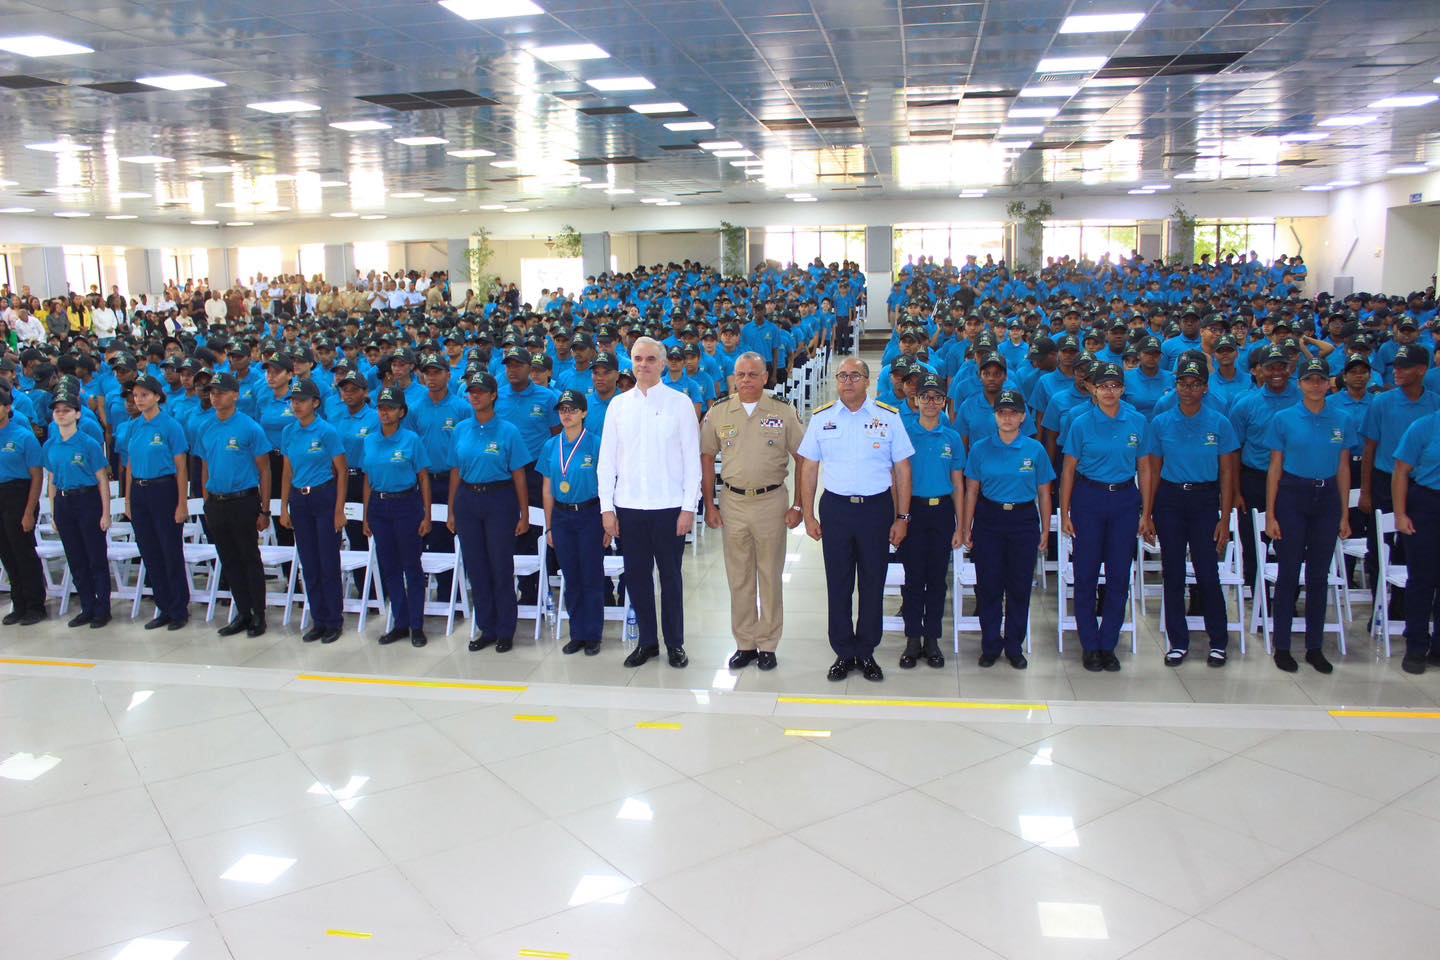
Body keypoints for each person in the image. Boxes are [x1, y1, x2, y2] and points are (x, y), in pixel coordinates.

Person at [798, 356, 914, 683]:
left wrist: (902, 516)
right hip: (836, 509)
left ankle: (866, 651)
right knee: (839, 582)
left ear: (867, 381)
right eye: (842, 376)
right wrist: (808, 514)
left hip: (876, 509)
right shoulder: (822, 418)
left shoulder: (888, 417)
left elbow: (903, 469)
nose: (848, 381)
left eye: (855, 376)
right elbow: (808, 468)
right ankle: (843, 651)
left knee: (872, 581)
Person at [597, 336, 701, 669]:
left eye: (651, 359)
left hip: (669, 508)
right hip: (628, 507)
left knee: (670, 577)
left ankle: (675, 643)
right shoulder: (619, 405)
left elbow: (691, 461)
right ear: (631, 362)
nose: (644, 365)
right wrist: (607, 508)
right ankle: (647, 641)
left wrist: (689, 506)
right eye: (638, 359)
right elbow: (607, 462)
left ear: (663, 363)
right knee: (637, 577)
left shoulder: (680, 403)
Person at [699, 352, 804, 670]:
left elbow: (804, 458)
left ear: (765, 376)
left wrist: (799, 504)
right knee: (739, 575)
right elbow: (706, 457)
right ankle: (745, 643)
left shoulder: (783, 412)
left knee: (770, 574)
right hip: (732, 502)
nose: (745, 380)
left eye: (752, 374)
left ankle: (768, 644)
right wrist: (710, 504)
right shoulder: (719, 412)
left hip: (771, 502)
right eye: (740, 374)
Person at [1140, 358, 1240, 667]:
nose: (1188, 389)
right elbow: (1153, 471)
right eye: (1183, 383)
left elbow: (1227, 474)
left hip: (1204, 500)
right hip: (1170, 499)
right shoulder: (1161, 422)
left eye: (1195, 384)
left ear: (1205, 388)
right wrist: (1148, 513)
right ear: (1176, 386)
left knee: (1207, 571)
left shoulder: (1219, 423)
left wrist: (1225, 518)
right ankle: (1178, 642)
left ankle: (1218, 641)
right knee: (1172, 572)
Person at [1261, 356, 1353, 673]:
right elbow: (1274, 468)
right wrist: (1271, 514)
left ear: (1329, 384)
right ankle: (1282, 645)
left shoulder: (1342, 419)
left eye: (1320, 379)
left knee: (1318, 575)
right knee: (1288, 574)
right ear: (1299, 384)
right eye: (1309, 379)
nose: (1315, 385)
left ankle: (1315, 646)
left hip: (1326, 497)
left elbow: (1343, 468)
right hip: (1293, 494)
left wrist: (1344, 514)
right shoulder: (1284, 418)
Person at [1059, 361, 1152, 672]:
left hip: (1125, 501)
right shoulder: (1080, 423)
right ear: (1092, 390)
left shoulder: (1137, 421)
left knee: (1118, 576)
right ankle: (1089, 643)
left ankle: (1108, 643)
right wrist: (1067, 510)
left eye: (1115, 386)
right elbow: (1069, 470)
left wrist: (1146, 512)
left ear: (1123, 389)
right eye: (1103, 386)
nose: (1109, 391)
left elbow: (1145, 469)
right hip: (1089, 499)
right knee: (1085, 575)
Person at [962, 389, 1052, 668]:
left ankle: (1014, 645)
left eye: (1013, 413)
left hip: (1023, 521)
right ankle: (990, 644)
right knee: (989, 585)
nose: (1008, 418)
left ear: (1023, 417)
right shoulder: (980, 449)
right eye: (1002, 412)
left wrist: (1046, 530)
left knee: (1019, 586)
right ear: (995, 416)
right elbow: (971, 492)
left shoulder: (1034, 450)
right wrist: (966, 526)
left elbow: (1045, 493)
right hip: (989, 519)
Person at [450, 372, 529, 653]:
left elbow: (518, 473)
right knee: (477, 566)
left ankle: (506, 629)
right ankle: (487, 626)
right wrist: (452, 510)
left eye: (481, 391)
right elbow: (456, 471)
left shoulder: (508, 430)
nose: (475, 395)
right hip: (468, 500)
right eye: (472, 391)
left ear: (493, 395)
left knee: (500, 565)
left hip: (499, 498)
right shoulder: (460, 429)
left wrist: (524, 513)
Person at [198, 373, 272, 639]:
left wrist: (264, 509)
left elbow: (264, 470)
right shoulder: (206, 427)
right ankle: (242, 612)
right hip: (217, 502)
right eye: (212, 392)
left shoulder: (249, 427)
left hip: (243, 499)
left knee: (249, 558)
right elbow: (204, 466)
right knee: (229, 560)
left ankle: (259, 615)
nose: (215, 397)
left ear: (235, 395)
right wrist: (206, 500)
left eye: (221, 392)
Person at [278, 378, 348, 644]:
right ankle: (318, 619)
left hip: (323, 496)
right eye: (293, 401)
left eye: (301, 400)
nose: (296, 405)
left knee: (327, 561)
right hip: (300, 498)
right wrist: (284, 507)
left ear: (315, 403)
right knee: (309, 562)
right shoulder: (289, 432)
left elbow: (341, 471)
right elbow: (287, 470)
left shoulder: (326, 431)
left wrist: (339, 509)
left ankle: (333, 620)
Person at [361, 387, 432, 648]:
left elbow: (423, 476)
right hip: (380, 507)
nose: (385, 412)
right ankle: (400, 622)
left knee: (411, 567)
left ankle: (416, 624)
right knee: (389, 567)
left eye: (390, 408)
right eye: (381, 407)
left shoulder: (411, 439)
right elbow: (367, 478)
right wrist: (366, 515)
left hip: (406, 505)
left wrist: (426, 514)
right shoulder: (369, 440)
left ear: (401, 412)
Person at [539, 389, 607, 655]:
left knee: (591, 575)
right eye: (563, 410)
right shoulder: (550, 445)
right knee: (571, 575)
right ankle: (577, 632)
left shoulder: (596, 444)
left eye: (572, 409)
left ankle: (593, 634)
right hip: (562, 516)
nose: (567, 415)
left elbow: (607, 484)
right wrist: (549, 525)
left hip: (590, 514)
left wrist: (606, 520)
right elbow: (546, 489)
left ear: (584, 413)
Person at [122, 375, 191, 630]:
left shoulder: (170, 426)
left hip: (164, 490)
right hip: (140, 492)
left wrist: (182, 503)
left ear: (157, 397)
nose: (139, 400)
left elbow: (181, 467)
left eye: (144, 395)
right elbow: (129, 465)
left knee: (169, 550)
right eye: (136, 395)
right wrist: (128, 499)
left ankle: (178, 608)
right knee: (149, 551)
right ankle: (163, 606)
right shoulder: (134, 426)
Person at [42, 385, 111, 628]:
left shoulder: (88, 443)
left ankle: (102, 608)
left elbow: (102, 479)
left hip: (87, 500)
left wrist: (106, 512)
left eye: (67, 410)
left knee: (95, 557)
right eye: (57, 411)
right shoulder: (50, 445)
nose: (61, 414)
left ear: (77, 414)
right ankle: (86, 606)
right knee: (75, 558)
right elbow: (51, 481)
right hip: (64, 501)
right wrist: (53, 512)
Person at [1393, 408, 1440, 674]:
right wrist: (1400, 514)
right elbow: (1400, 471)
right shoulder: (1424, 427)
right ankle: (1416, 645)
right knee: (1422, 579)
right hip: (1427, 503)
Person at [0, 388, 44, 625]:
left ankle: (35, 605)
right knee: (6, 553)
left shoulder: (23, 436)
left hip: (19, 494)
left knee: (23, 552)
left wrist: (29, 511)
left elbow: (36, 476)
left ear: (8, 409)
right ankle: (18, 603)